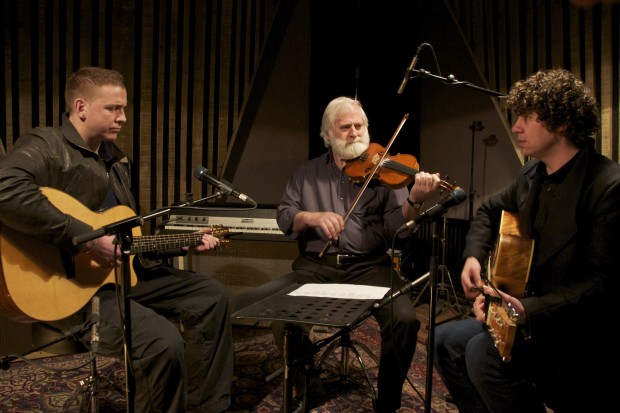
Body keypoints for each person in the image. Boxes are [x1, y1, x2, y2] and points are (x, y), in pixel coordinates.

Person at [0, 67, 233, 412]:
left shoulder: (118, 161)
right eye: (113, 108)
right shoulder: (46, 144)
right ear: (80, 107)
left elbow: (126, 242)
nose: (123, 118)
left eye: (123, 108)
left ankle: (207, 406)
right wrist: (88, 241)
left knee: (211, 295)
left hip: (119, 278)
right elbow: (5, 189)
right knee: (162, 342)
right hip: (72, 289)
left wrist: (179, 244)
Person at [433, 68, 620, 412]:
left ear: (560, 123)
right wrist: (473, 257)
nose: (516, 126)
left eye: (527, 117)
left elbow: (601, 284)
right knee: (443, 340)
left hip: (573, 331)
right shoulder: (531, 173)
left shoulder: (607, 185)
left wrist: (523, 309)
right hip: (523, 314)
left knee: (481, 355)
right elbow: (488, 210)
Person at [274, 96, 442, 413]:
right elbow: (284, 216)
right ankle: (306, 379)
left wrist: (415, 202)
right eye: (345, 127)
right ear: (328, 134)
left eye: (359, 125)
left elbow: (398, 228)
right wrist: (311, 217)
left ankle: (388, 399)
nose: (354, 132)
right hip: (316, 266)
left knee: (405, 320)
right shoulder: (306, 173)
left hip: (371, 267)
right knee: (281, 320)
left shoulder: (385, 172)